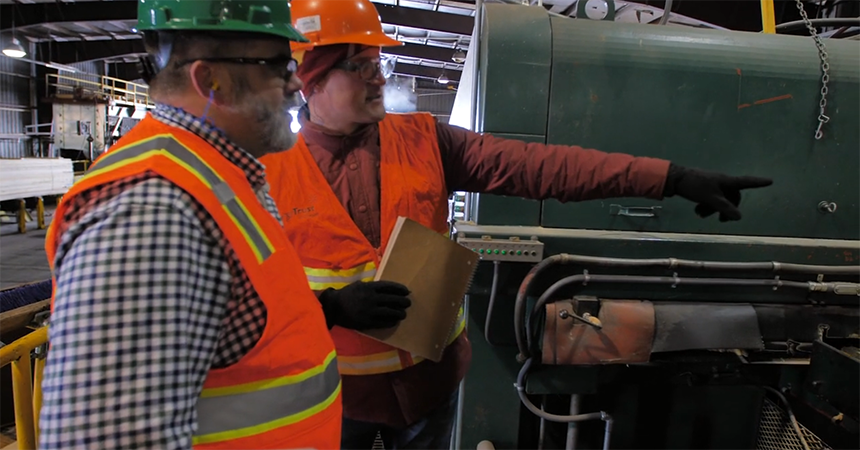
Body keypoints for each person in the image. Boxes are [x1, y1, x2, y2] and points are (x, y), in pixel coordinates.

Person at [260, 1, 774, 449]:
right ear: (312, 77)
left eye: (379, 61)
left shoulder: (427, 142)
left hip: (429, 388)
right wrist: (328, 307)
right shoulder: (264, 171)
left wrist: (671, 178)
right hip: (332, 394)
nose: (378, 75)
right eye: (359, 64)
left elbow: (543, 166)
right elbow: (243, 294)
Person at [39, 1, 342, 449]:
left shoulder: (216, 176)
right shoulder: (154, 212)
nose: (297, 84)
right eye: (278, 65)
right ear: (210, 81)